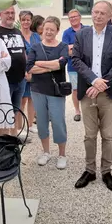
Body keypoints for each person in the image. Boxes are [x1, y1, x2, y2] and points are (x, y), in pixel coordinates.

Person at [72, 0, 112, 192]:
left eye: (103, 13)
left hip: (108, 93)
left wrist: (102, 84)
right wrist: (94, 80)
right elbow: (76, 60)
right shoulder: (81, 34)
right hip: (88, 91)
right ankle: (89, 170)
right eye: (95, 12)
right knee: (89, 135)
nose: (98, 15)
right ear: (91, 13)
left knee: (108, 135)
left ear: (110, 16)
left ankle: (107, 171)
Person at [26, 16, 69, 169]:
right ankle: (46, 152)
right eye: (46, 29)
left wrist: (39, 63)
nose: (48, 32)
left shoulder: (63, 46)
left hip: (56, 91)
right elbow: (29, 68)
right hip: (38, 90)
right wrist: (51, 65)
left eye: (52, 29)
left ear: (57, 31)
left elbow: (61, 64)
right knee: (42, 123)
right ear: (42, 30)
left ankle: (62, 154)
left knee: (58, 122)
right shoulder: (36, 47)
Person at [0, 6, 27, 137]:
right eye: (7, 13)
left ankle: (14, 136)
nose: (10, 15)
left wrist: (27, 69)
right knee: (3, 110)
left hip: (20, 79)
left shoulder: (18, 31)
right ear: (0, 14)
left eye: (12, 13)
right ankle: (3, 137)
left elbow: (23, 52)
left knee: (15, 109)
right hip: (5, 80)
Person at [19, 10, 41, 134]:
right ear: (20, 20)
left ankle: (30, 125)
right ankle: (20, 127)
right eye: (23, 19)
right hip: (22, 71)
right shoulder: (17, 35)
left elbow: (40, 53)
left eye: (28, 19)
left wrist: (35, 70)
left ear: (31, 21)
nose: (26, 22)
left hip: (35, 70)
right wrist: (25, 72)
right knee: (22, 100)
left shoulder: (36, 36)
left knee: (33, 98)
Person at [62, 9, 85, 122]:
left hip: (87, 66)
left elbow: (90, 47)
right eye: (71, 17)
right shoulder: (67, 33)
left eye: (75, 16)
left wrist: (74, 47)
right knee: (75, 89)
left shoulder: (87, 29)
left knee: (89, 88)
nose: (73, 19)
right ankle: (77, 111)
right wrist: (81, 47)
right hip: (73, 67)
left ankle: (88, 110)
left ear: (80, 17)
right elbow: (66, 50)